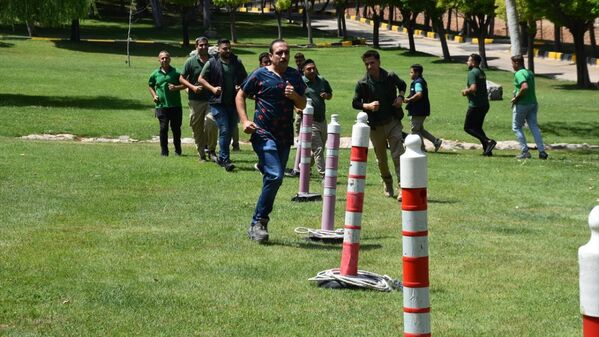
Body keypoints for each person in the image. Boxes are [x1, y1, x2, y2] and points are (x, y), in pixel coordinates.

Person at [236, 39, 306, 243]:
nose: (284, 56)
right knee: (275, 176)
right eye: (279, 53)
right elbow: (240, 95)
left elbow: (303, 102)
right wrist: (245, 120)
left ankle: (257, 223)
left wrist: (294, 96)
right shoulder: (260, 74)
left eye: (286, 52)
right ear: (271, 55)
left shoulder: (294, 75)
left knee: (274, 179)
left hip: (284, 136)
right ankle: (259, 222)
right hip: (262, 133)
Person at [352, 50, 406, 201]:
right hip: (375, 126)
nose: (369, 66)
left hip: (393, 121)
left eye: (372, 63)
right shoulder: (362, 83)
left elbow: (403, 85)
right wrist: (368, 106)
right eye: (367, 64)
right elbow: (355, 103)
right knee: (381, 159)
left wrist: (400, 97)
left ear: (379, 62)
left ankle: (402, 186)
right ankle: (387, 182)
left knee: (398, 154)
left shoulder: (390, 76)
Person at [198, 39, 248, 171]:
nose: (228, 51)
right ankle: (224, 160)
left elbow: (245, 78)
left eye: (229, 48)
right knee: (224, 129)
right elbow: (201, 79)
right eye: (225, 48)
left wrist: (240, 86)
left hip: (233, 103)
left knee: (230, 130)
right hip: (217, 103)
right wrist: (212, 89)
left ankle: (223, 157)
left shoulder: (236, 62)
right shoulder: (212, 62)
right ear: (219, 49)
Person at [147, 50, 186, 156]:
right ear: (159, 60)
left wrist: (176, 87)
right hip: (161, 106)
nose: (165, 60)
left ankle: (178, 151)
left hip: (175, 106)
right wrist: (154, 95)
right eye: (162, 58)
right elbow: (150, 85)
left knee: (176, 129)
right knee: (163, 128)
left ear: (170, 59)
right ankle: (164, 152)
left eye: (166, 58)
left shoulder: (177, 72)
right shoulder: (155, 74)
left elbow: (186, 85)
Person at [179, 37, 211, 162]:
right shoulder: (190, 61)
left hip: (211, 99)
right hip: (195, 100)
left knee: (211, 123)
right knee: (197, 127)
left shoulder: (214, 60)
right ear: (196, 47)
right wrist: (192, 87)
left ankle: (211, 150)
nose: (203, 47)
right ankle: (201, 153)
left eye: (205, 45)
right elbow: (181, 79)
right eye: (201, 45)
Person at [510, 55, 548, 160]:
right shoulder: (529, 72)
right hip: (533, 103)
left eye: (512, 63)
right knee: (534, 127)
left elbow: (524, 86)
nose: (512, 66)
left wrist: (516, 98)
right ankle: (542, 151)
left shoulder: (519, 73)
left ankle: (525, 151)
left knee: (516, 127)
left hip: (523, 104)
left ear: (517, 63)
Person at [301, 59, 333, 177]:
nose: (312, 70)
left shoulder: (322, 80)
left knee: (320, 148)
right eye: (309, 69)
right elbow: (294, 99)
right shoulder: (300, 83)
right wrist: (298, 109)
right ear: (303, 71)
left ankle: (303, 167)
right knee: (318, 148)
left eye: (314, 68)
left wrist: (327, 95)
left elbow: (330, 94)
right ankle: (324, 175)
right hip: (310, 121)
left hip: (322, 120)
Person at [461, 53, 496, 156]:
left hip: (476, 105)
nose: (467, 62)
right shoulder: (481, 72)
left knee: (468, 127)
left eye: (468, 60)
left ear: (473, 62)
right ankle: (487, 150)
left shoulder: (472, 72)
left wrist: (465, 92)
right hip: (484, 104)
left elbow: (473, 88)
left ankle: (488, 141)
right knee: (477, 128)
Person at [405, 64, 442, 153]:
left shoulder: (418, 82)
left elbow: (419, 94)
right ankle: (436, 141)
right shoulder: (420, 81)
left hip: (418, 110)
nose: (410, 74)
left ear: (417, 73)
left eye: (411, 72)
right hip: (421, 109)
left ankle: (421, 148)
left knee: (415, 130)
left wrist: (409, 99)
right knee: (420, 129)